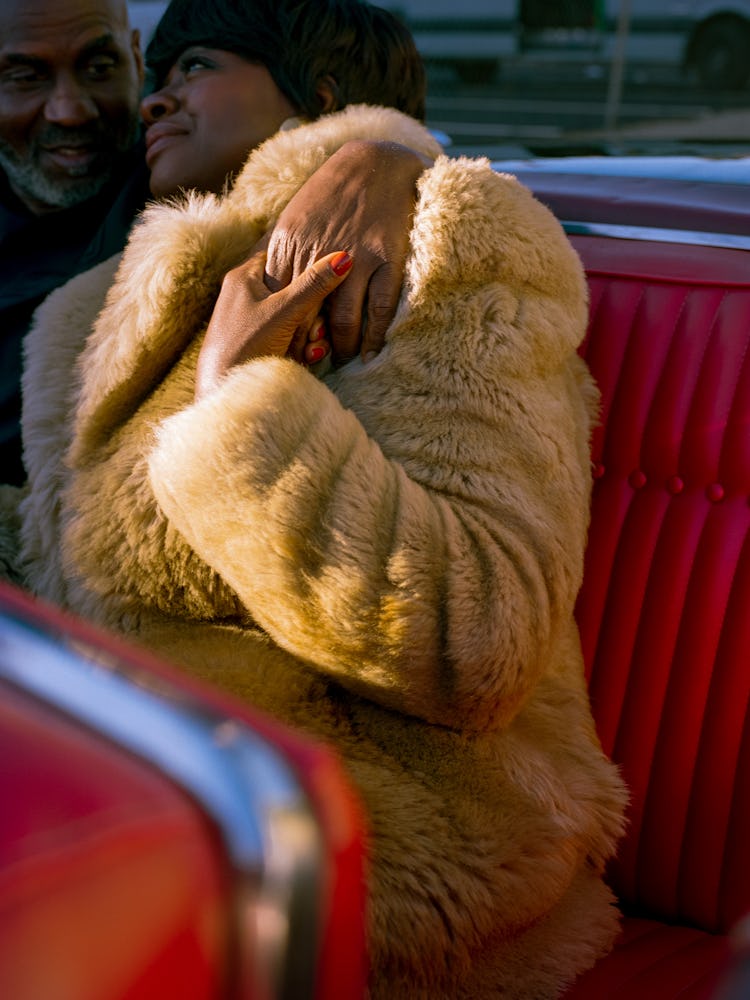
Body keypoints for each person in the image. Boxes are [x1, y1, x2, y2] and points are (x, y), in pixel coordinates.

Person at [7, 1, 628, 996]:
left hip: (377, 845)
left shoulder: (441, 235)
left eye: (198, 61)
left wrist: (246, 403)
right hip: (168, 798)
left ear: (322, 94)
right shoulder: (105, 298)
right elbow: (66, 563)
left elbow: (479, 628)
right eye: (157, 66)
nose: (155, 93)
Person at [0, 0, 427, 485]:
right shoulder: (175, 174)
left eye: (100, 67)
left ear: (135, 60)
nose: (69, 111)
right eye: (24, 76)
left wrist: (377, 157)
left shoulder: (184, 178)